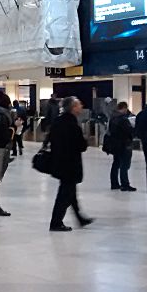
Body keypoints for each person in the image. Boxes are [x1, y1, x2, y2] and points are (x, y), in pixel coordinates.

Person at [49, 96, 94, 232]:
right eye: (79, 104)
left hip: (60, 162)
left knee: (71, 193)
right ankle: (56, 222)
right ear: (73, 108)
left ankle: (79, 218)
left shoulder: (58, 121)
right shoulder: (72, 125)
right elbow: (81, 146)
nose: (81, 106)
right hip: (69, 165)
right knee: (65, 194)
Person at [107, 101, 136, 192]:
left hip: (115, 144)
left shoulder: (112, 117)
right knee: (124, 165)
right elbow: (129, 131)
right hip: (124, 144)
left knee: (116, 163)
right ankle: (125, 184)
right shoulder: (123, 119)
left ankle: (114, 183)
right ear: (123, 108)